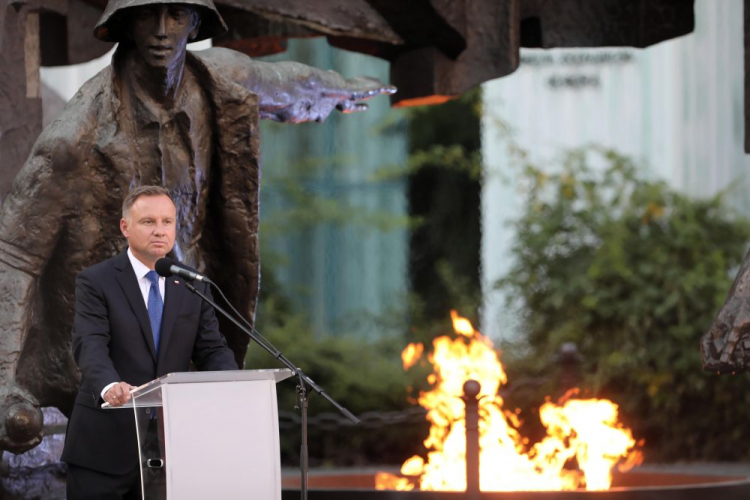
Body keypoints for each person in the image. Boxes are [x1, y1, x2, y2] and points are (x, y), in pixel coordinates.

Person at [0, 0, 394, 453]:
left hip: (189, 330)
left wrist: (342, 89)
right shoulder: (73, 140)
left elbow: (286, 84)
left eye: (177, 16)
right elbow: (13, 258)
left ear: (197, 22)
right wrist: (4, 382)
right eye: (148, 16)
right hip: (107, 356)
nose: (163, 31)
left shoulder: (222, 84)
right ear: (125, 23)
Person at [61, 185, 238, 498]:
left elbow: (211, 349)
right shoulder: (96, 281)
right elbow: (89, 344)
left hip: (170, 450)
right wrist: (109, 385)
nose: (160, 231)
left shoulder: (190, 282)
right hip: (104, 449)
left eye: (167, 222)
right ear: (125, 227)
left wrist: (232, 384)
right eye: (148, 222)